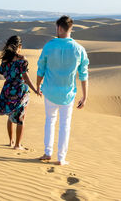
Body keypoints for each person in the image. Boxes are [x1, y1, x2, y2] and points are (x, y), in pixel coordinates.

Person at [36, 15, 89, 165]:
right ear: (70, 29)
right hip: (67, 93)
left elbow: (41, 69)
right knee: (65, 125)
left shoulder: (49, 46)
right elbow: (84, 75)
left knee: (50, 121)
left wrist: (38, 86)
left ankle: (48, 152)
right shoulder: (79, 49)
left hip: (50, 91)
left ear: (59, 28)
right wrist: (84, 97)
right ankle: (61, 158)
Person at [0, 35, 39, 150]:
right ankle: (18, 145)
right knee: (21, 118)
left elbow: (4, 74)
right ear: (19, 46)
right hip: (20, 90)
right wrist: (35, 89)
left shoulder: (5, 60)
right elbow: (25, 77)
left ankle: (11, 142)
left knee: (10, 115)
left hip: (8, 90)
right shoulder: (22, 59)